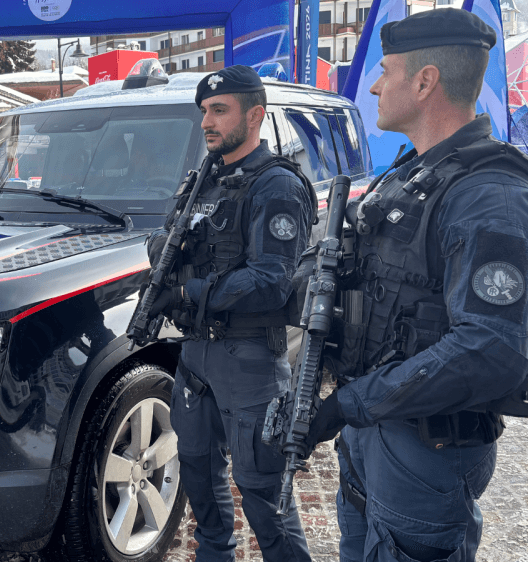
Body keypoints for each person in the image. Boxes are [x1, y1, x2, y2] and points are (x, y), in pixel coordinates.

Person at [303, 10, 528, 562]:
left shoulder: (494, 197)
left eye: (385, 72)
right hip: (376, 427)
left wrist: (351, 403)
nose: (375, 86)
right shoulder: (414, 175)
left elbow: (490, 351)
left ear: (425, 82)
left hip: (424, 447)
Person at [146, 65, 317, 562]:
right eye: (204, 111)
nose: (207, 122)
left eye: (219, 110)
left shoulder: (276, 185)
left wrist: (187, 290)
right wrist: (164, 256)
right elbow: (165, 237)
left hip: (249, 359)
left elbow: (271, 281)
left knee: (263, 492)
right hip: (196, 355)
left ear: (255, 115)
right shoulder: (204, 179)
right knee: (198, 472)